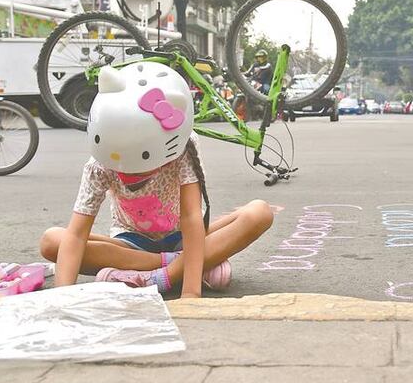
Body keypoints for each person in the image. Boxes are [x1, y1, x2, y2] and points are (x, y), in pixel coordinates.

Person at [39, 61, 273, 296]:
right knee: (52, 241)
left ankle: (162, 276)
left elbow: (192, 217)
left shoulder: (183, 148)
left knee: (258, 213)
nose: (130, 174)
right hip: (131, 242)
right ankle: (187, 262)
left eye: (141, 168)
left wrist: (190, 293)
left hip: (182, 235)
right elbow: (77, 234)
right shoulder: (100, 163)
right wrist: (62, 299)